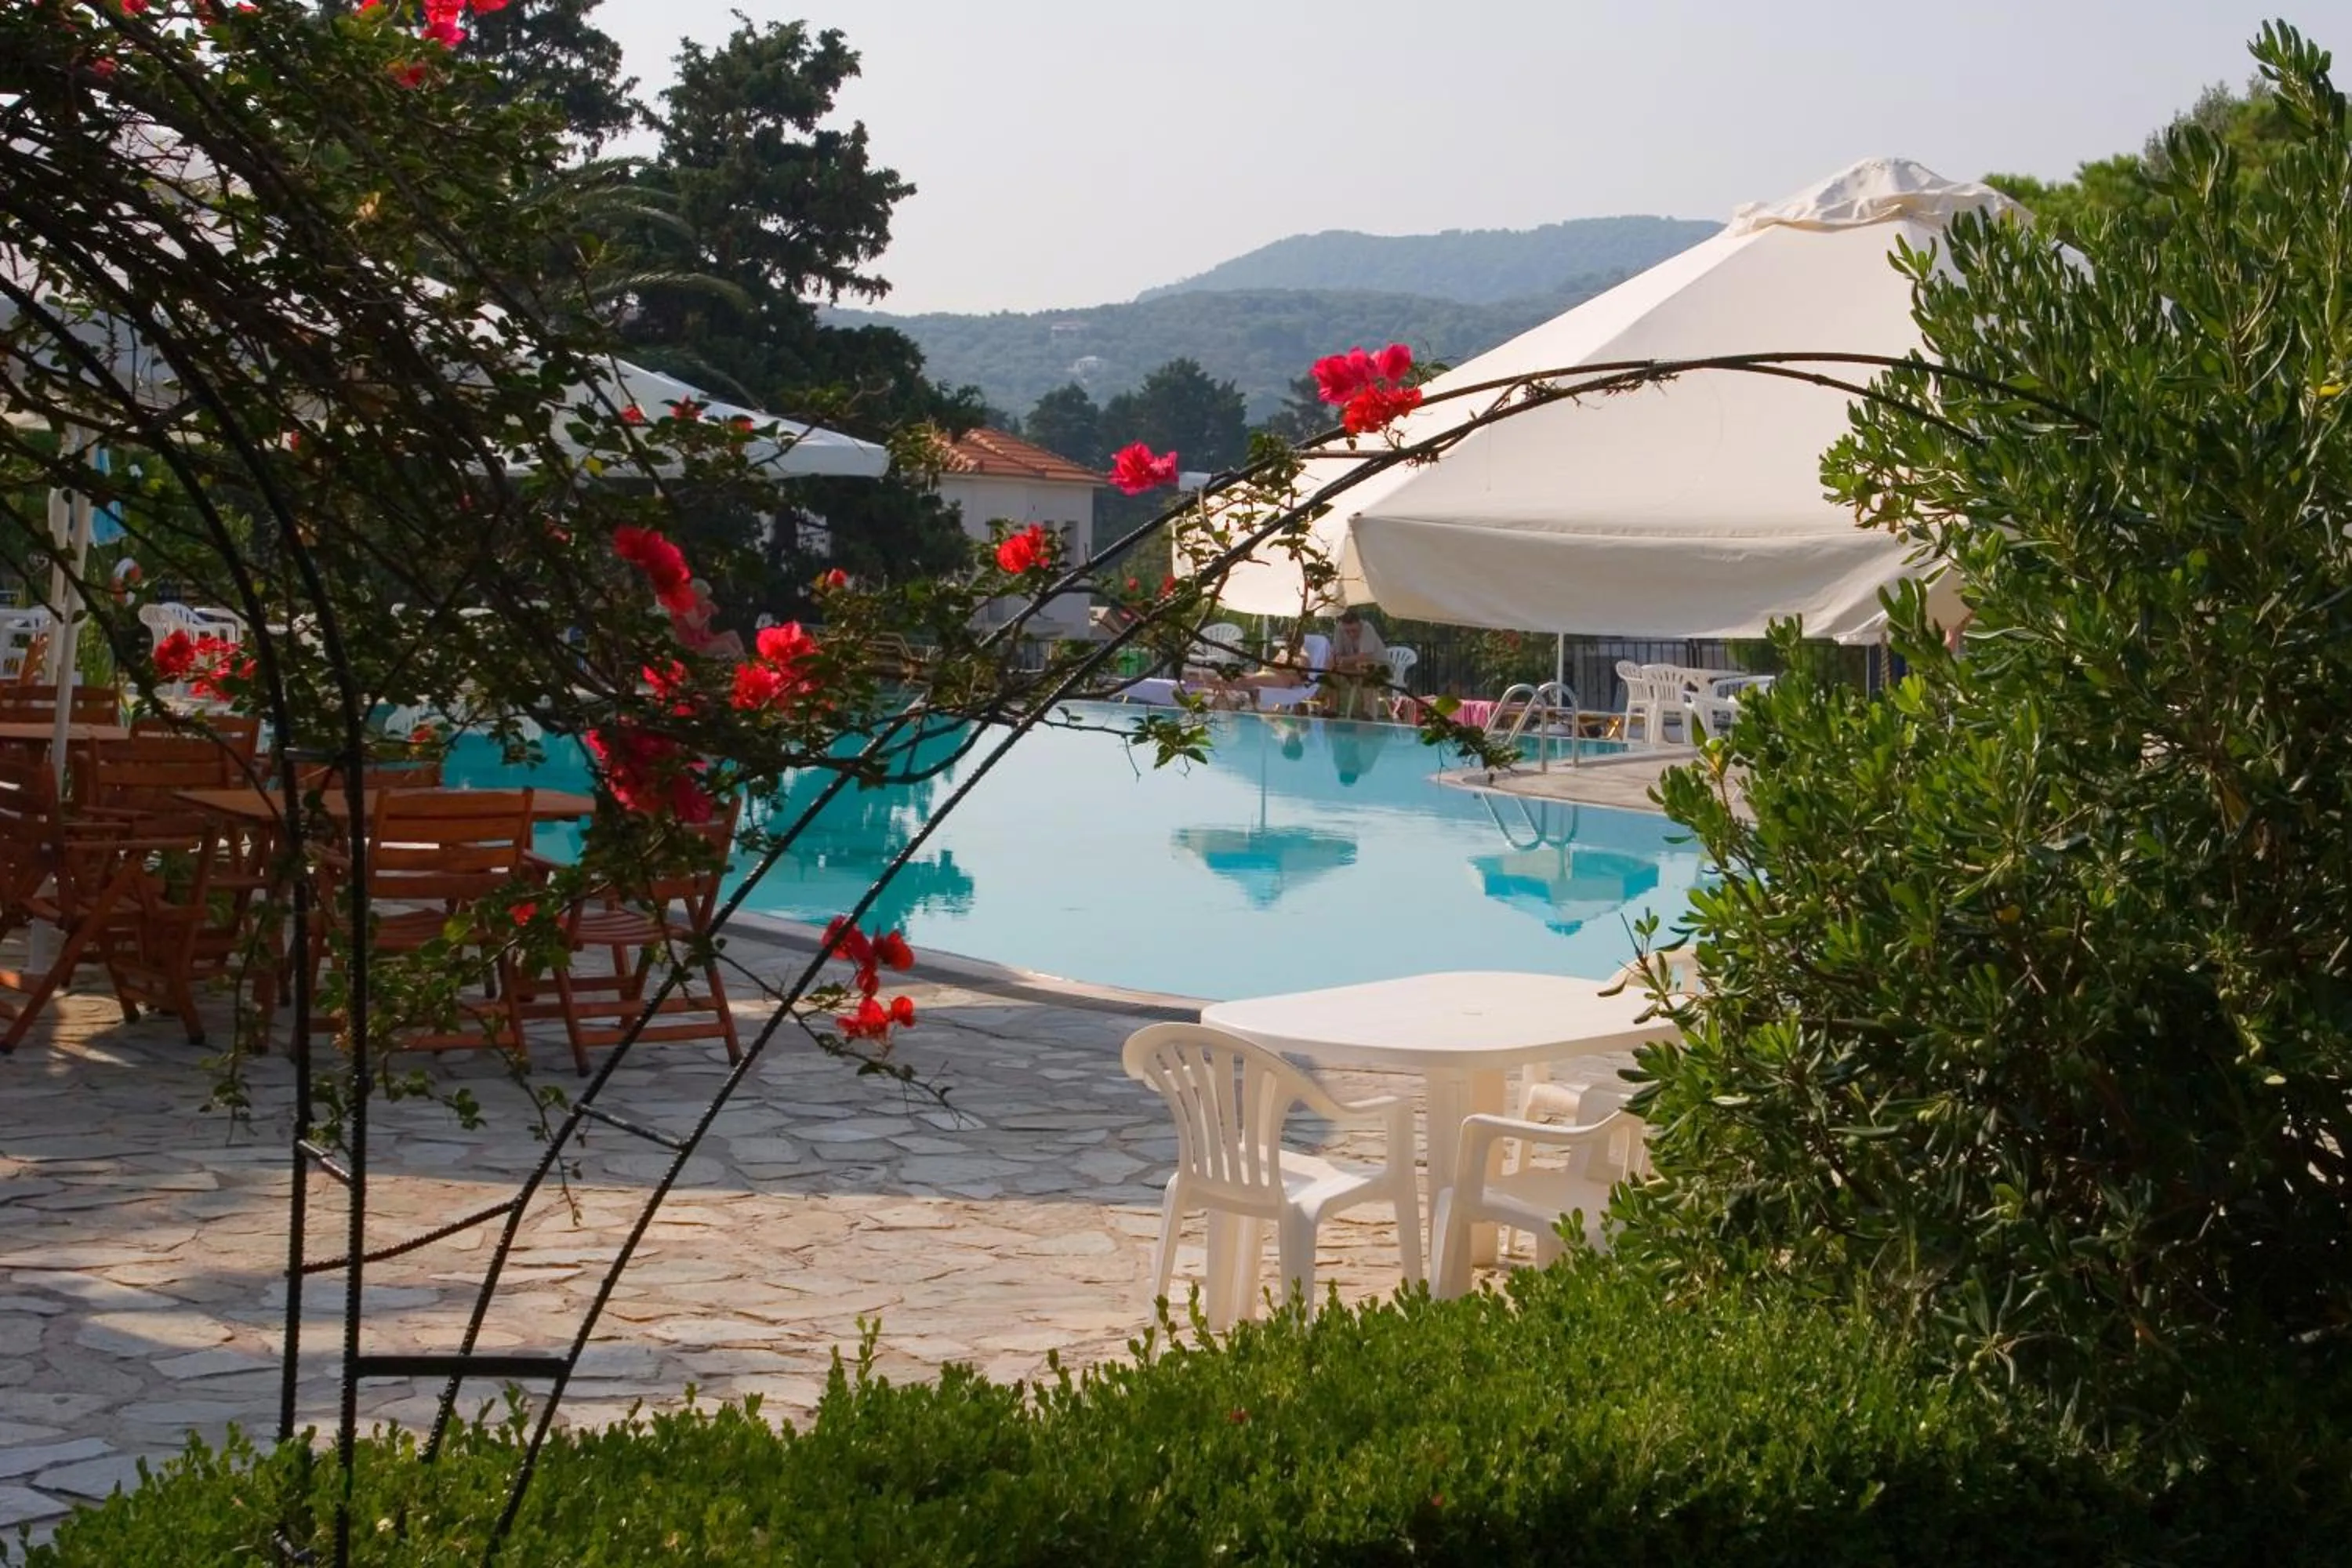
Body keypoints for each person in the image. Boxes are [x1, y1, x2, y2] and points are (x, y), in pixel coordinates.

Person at [1327, 608, 1388, 719]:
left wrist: (1342, 660)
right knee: (1330, 667)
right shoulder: (1339, 628)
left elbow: (1365, 656)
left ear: (1360, 623)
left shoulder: (1367, 628)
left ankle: (1367, 711)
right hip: (1355, 665)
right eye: (1347, 631)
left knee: (1365, 665)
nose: (1351, 634)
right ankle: (1332, 708)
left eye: (1354, 630)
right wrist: (1335, 661)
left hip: (1380, 668)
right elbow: (1336, 654)